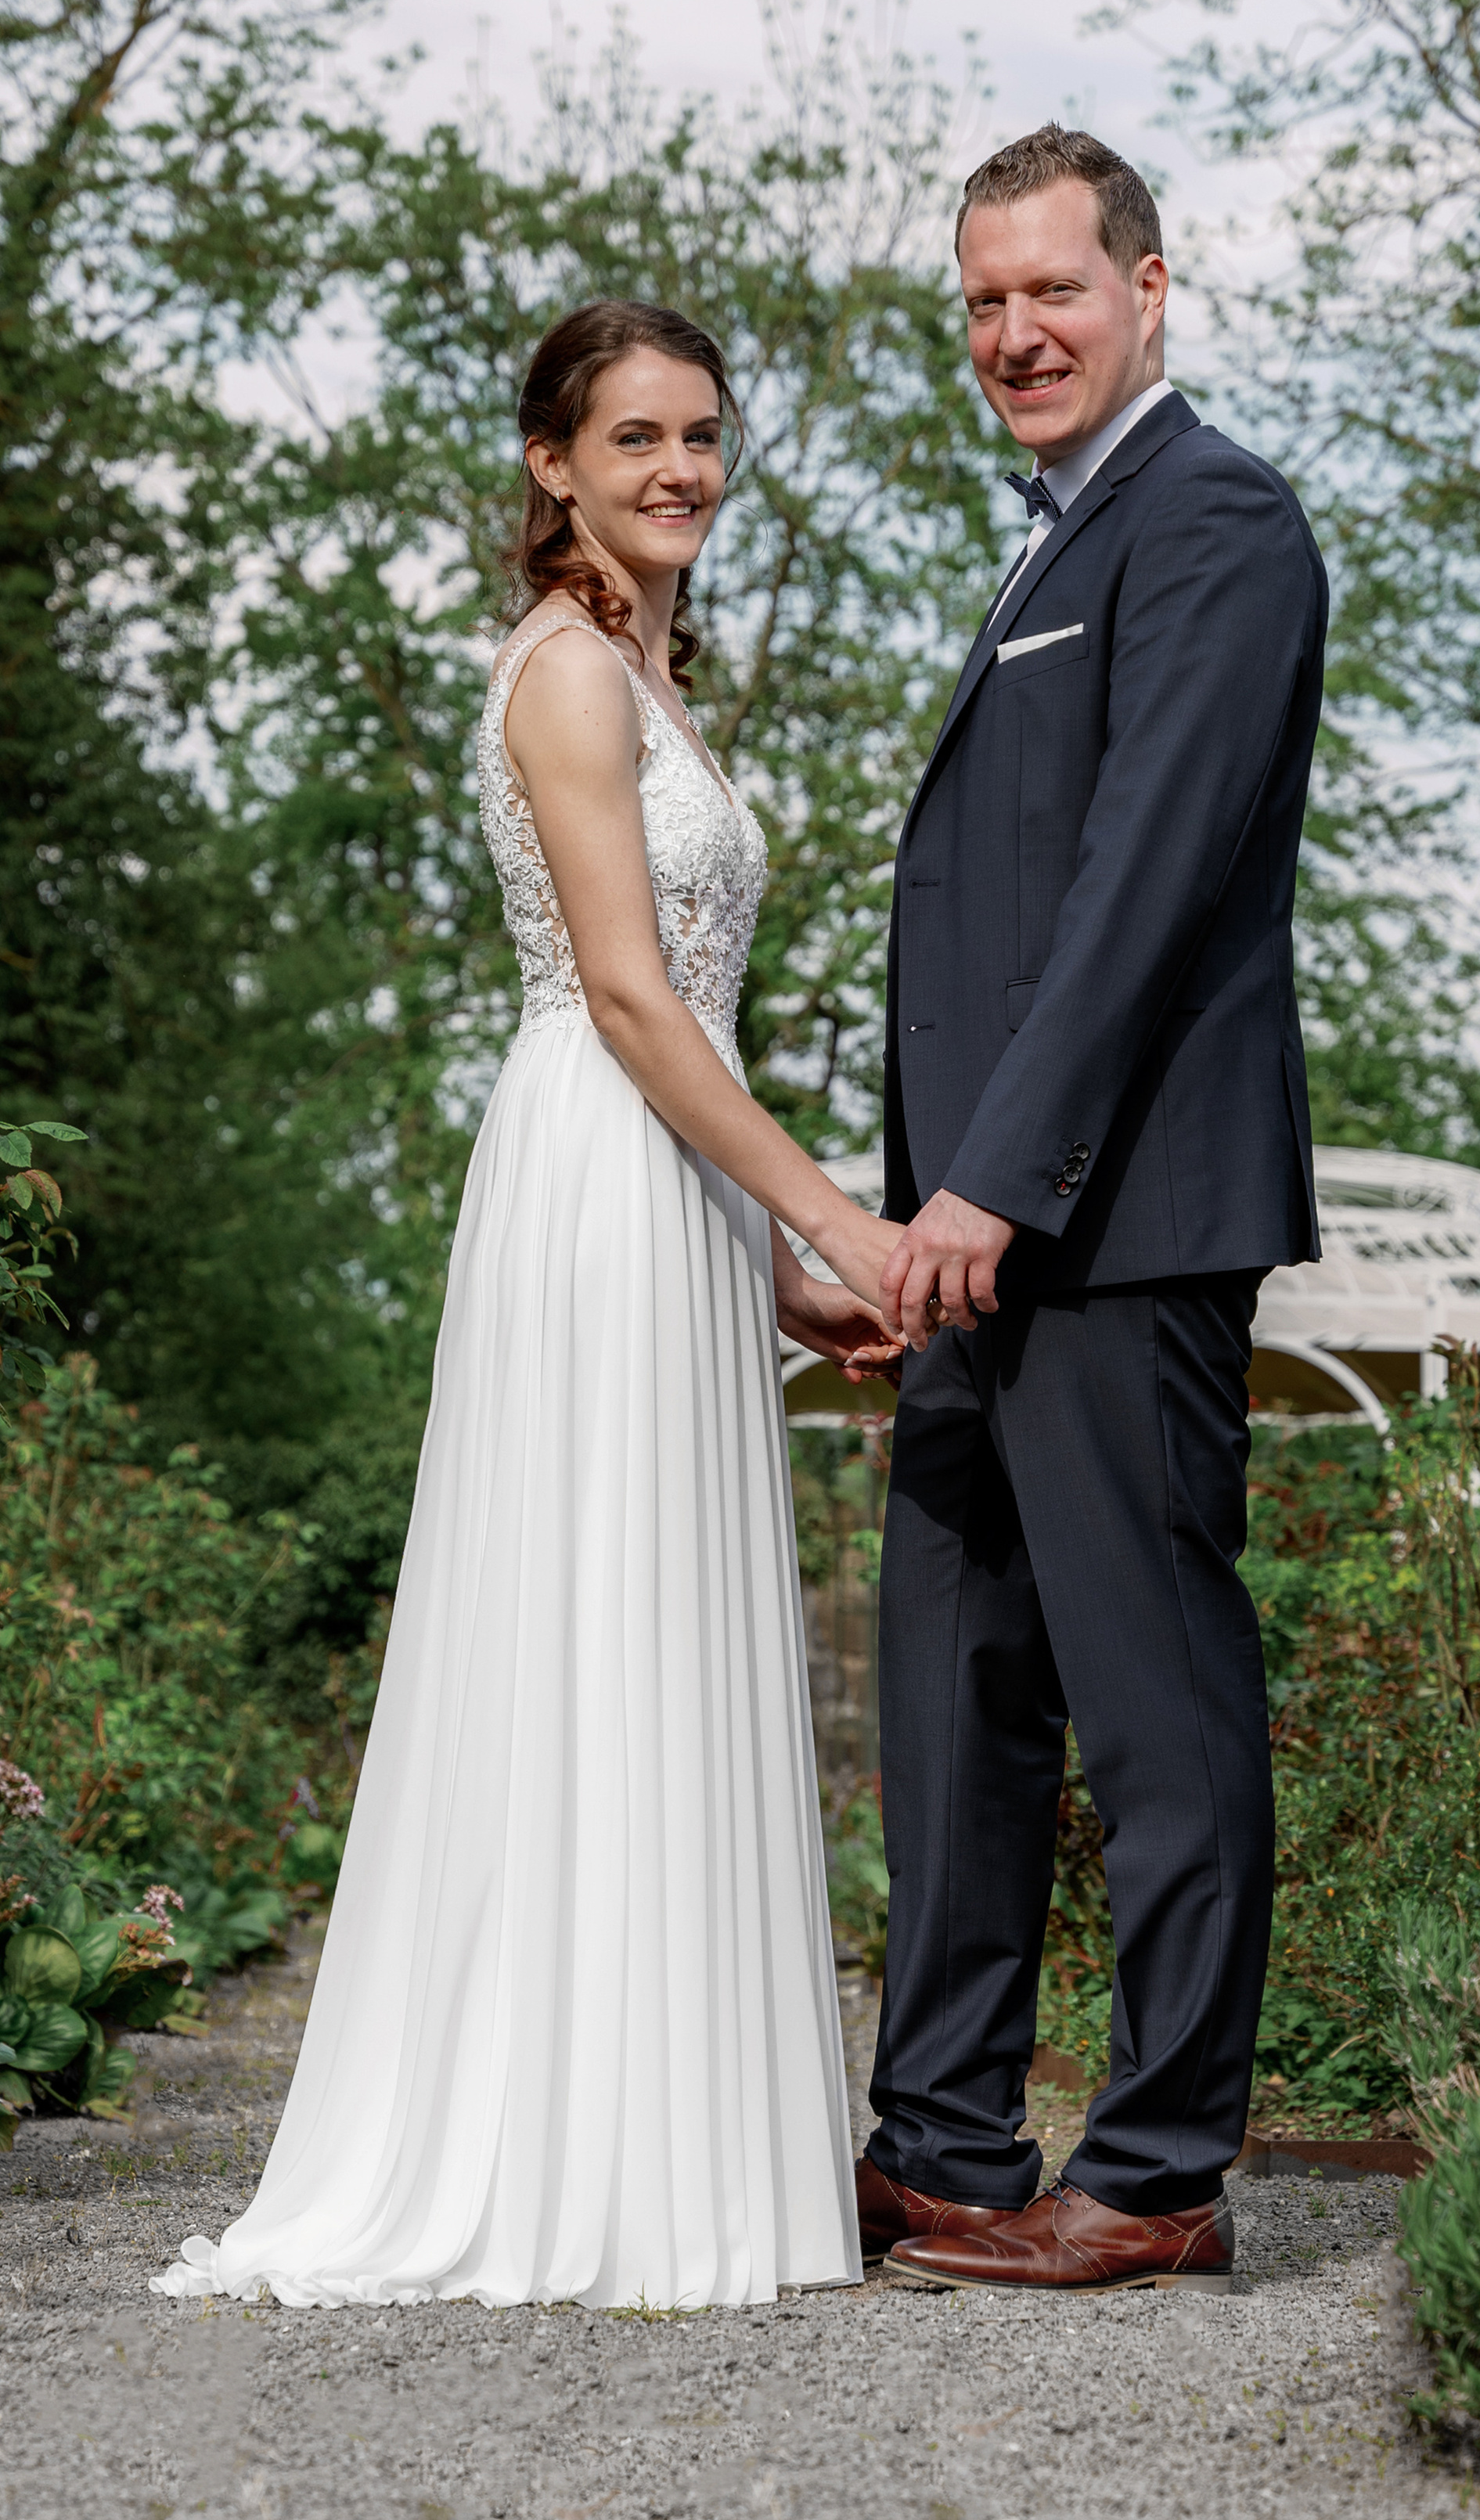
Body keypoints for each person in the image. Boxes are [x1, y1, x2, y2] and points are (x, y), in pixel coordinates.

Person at [153, 299, 905, 2313]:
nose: (679, 469)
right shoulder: (567, 677)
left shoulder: (652, 681)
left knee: (652, 1615)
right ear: (549, 466)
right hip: (593, 1168)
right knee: (587, 1613)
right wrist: (836, 1217)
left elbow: (677, 1025)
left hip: (666, 1190)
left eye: (703, 437)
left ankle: (671, 2156)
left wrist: (767, 1275)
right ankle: (567, 2154)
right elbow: (633, 1000)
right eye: (636, 436)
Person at [858, 125, 1327, 2297]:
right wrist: (903, 1231)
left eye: (1053, 289)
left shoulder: (1215, 520)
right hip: (967, 1244)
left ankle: (1156, 2174)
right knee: (954, 1691)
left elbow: (1137, 898)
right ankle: (941, 2143)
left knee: (1153, 1705)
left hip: (1111, 1225)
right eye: (982, 302)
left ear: (1152, 286)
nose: (1015, 334)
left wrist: (988, 1193)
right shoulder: (1055, 541)